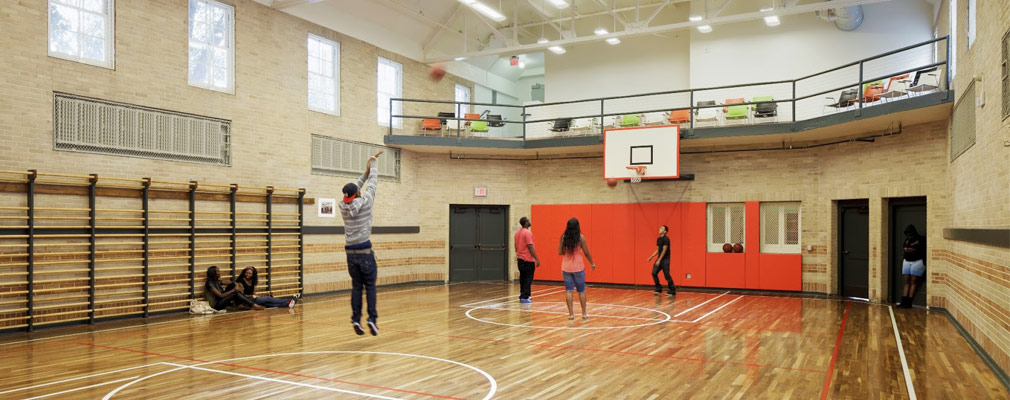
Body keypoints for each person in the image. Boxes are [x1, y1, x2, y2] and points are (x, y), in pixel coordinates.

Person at [338, 150, 384, 336]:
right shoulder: (366, 202)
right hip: (364, 250)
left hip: (350, 252)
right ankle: (372, 319)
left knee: (357, 286)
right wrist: (372, 163)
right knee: (370, 286)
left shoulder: (342, 206)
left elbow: (357, 187)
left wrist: (364, 173)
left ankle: (356, 319)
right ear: (358, 193)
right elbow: (373, 183)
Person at [558, 217, 595, 320]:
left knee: (569, 291)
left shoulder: (563, 237)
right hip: (578, 268)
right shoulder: (581, 238)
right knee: (581, 291)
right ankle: (584, 313)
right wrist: (592, 263)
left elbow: (560, 252)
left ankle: (571, 314)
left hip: (566, 268)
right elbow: (586, 252)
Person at [233, 266, 301, 308]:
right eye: (246, 273)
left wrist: (256, 295)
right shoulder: (241, 281)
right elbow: (240, 295)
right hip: (247, 301)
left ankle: (286, 304)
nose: (247, 274)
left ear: (253, 275)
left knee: (268, 304)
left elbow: (254, 293)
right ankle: (289, 300)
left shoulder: (252, 281)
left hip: (252, 299)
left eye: (249, 273)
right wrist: (251, 296)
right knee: (268, 299)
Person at [898, 224, 925, 308]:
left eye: (910, 233)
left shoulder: (920, 239)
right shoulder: (907, 240)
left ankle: (909, 303)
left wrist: (912, 250)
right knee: (906, 281)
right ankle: (903, 302)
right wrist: (909, 249)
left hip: (917, 261)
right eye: (907, 233)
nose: (908, 235)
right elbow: (905, 248)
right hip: (907, 261)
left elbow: (920, 249)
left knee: (913, 281)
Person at [514, 216, 540, 303]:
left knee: (522, 278)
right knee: (528, 278)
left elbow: (515, 247)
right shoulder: (528, 233)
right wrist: (536, 258)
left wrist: (518, 254)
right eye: (528, 221)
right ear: (526, 223)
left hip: (520, 259)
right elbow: (530, 246)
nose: (530, 222)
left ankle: (522, 295)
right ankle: (525, 296)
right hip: (528, 260)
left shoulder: (517, 233)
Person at [647, 225, 676, 296]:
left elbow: (664, 250)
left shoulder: (666, 239)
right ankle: (658, 288)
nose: (659, 229)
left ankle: (672, 290)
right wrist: (651, 257)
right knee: (654, 273)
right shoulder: (659, 239)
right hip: (659, 259)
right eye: (660, 228)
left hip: (665, 260)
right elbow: (658, 250)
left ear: (665, 231)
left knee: (667, 275)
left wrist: (659, 260)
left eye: (662, 228)